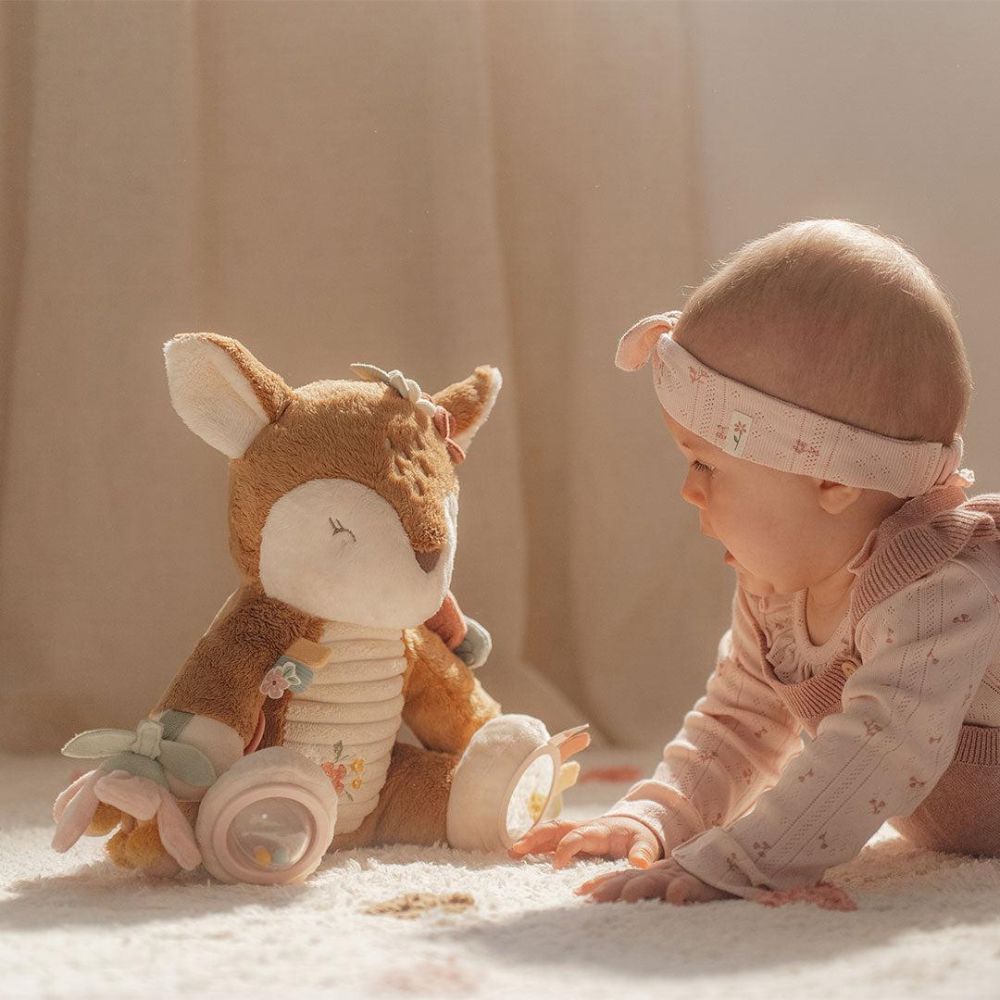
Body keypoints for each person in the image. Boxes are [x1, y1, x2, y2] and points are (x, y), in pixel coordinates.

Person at [510, 219, 1000, 906]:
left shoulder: (940, 592)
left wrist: (744, 860)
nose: (688, 490)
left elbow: (880, 747)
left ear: (832, 478)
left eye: (706, 464)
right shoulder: (776, 591)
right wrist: (657, 817)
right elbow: (738, 724)